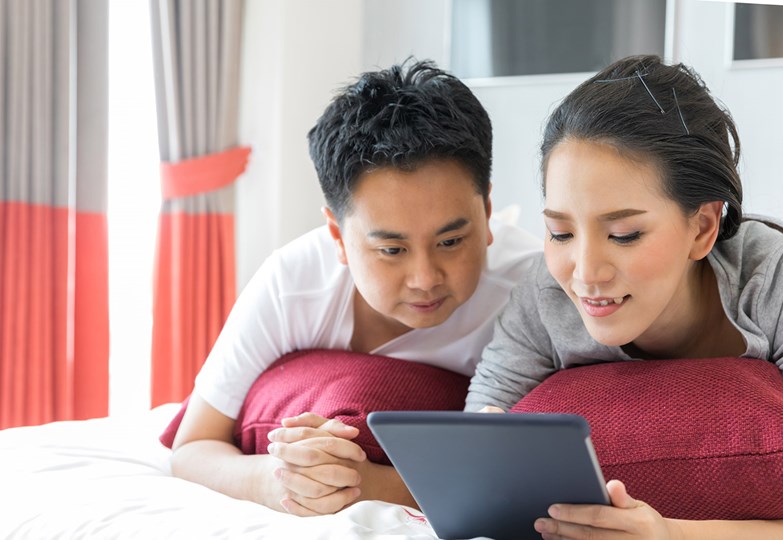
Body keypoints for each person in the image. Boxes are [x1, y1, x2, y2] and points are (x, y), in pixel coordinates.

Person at [169, 59, 541, 516]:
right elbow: (192, 445)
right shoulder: (293, 283)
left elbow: (523, 470)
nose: (425, 278)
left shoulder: (532, 290)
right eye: (391, 250)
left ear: (486, 211)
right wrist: (277, 480)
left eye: (450, 241)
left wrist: (373, 485)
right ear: (338, 236)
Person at [466, 55, 783, 539]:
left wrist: (670, 534)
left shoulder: (780, 281)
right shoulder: (543, 294)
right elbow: (475, 445)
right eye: (560, 232)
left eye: (623, 234)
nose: (585, 272)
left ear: (703, 227)